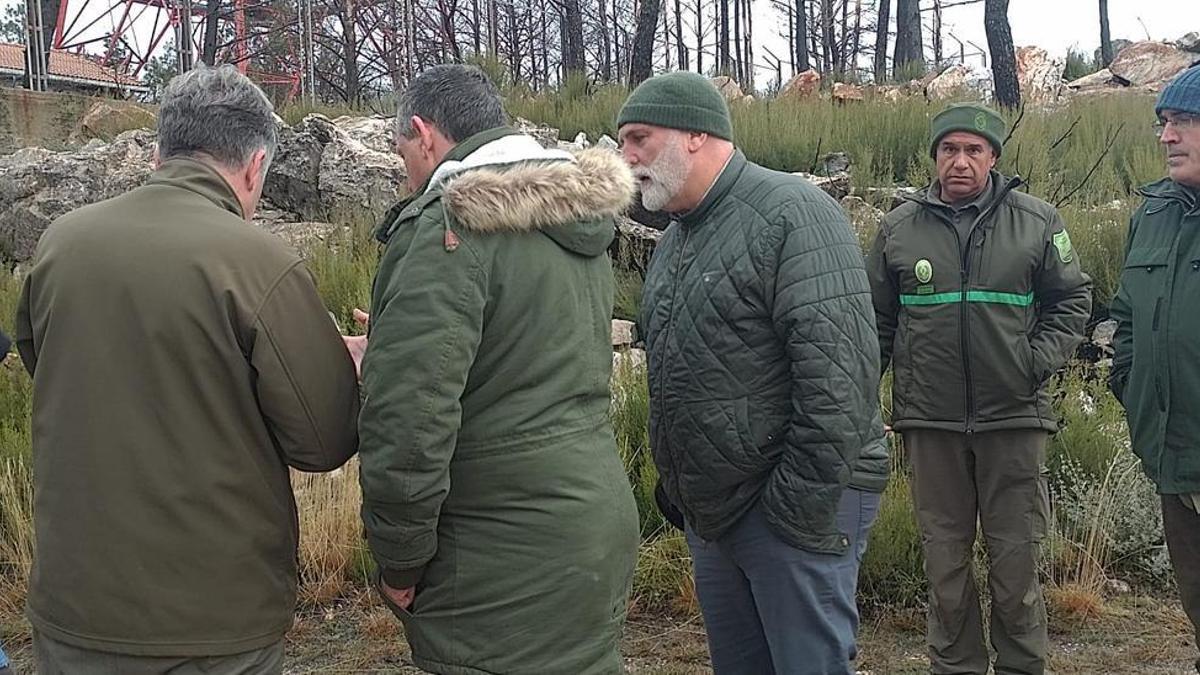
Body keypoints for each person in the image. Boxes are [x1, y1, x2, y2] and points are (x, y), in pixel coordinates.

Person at [14, 65, 360, 673]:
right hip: (213, 623)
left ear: (158, 153)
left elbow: (45, 362)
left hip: (74, 609)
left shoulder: (60, 244)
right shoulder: (259, 262)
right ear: (255, 166)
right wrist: (350, 365)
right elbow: (323, 440)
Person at [356, 64, 640, 674]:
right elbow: (524, 351)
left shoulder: (449, 227)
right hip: (590, 520)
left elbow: (409, 422)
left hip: (496, 544)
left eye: (402, 148)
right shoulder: (575, 221)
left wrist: (399, 558)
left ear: (423, 132)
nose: (406, 166)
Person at [618, 71, 887, 674]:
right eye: (623, 142)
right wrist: (687, 493)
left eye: (639, 138)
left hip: (795, 505)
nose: (626, 157)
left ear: (694, 134)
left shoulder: (793, 214)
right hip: (718, 512)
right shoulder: (675, 241)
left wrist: (789, 511)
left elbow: (839, 382)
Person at [867, 102, 1092, 675]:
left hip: (1014, 420)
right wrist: (864, 396)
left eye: (973, 150)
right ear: (935, 157)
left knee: (1016, 569)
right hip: (931, 425)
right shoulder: (898, 229)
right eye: (949, 150)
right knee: (944, 570)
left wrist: (1033, 363)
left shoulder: (1037, 221)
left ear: (994, 157)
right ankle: (956, 666)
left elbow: (1072, 300)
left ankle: (1021, 666)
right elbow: (874, 324)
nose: (960, 162)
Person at [1110, 64, 1200, 674]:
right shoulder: (1155, 212)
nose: (1167, 135)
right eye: (1164, 122)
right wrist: (1133, 387)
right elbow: (1125, 320)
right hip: (1174, 455)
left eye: (1186, 121)